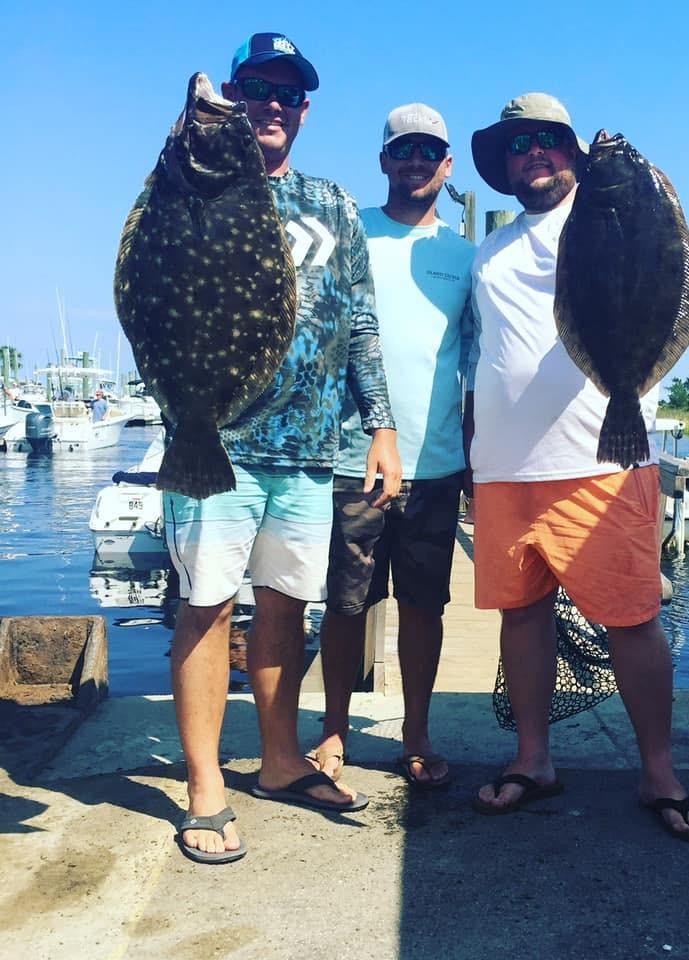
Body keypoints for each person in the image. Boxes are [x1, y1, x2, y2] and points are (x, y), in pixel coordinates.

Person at [162, 32, 401, 864]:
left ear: (304, 110)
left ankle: (277, 760)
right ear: (233, 94)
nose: (271, 104)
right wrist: (189, 134)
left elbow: (362, 319)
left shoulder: (333, 204)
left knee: (284, 609)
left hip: (308, 448)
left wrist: (381, 424)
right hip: (211, 440)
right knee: (205, 607)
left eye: (288, 94)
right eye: (256, 88)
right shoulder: (192, 188)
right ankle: (204, 784)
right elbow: (152, 284)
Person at [465, 93, 689, 839]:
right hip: (505, 468)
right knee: (522, 615)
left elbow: (672, 259)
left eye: (548, 140)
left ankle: (658, 771)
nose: (532, 152)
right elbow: (485, 359)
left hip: (601, 458)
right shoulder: (488, 249)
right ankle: (533, 758)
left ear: (575, 153)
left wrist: (633, 169)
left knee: (632, 620)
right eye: (517, 145)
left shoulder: (616, 211)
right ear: (504, 165)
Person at [307, 104, 474, 791]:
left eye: (428, 150)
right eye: (402, 149)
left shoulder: (464, 255)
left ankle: (416, 732)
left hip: (435, 464)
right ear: (382, 160)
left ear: (447, 165)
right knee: (347, 603)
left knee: (424, 607)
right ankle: (334, 730)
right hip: (353, 458)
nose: (415, 161)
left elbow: (485, 359)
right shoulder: (351, 236)